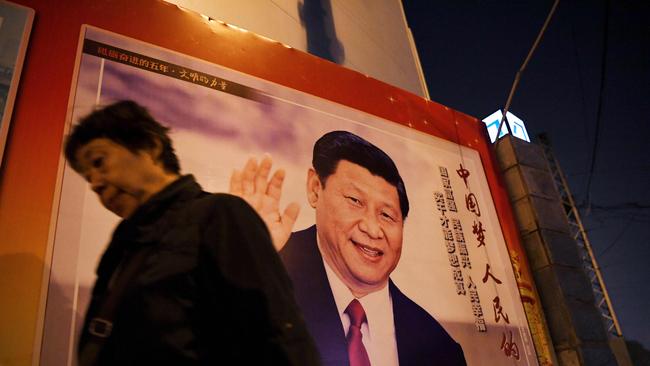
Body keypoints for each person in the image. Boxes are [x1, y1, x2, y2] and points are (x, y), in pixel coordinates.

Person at [64, 100, 320, 365]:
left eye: (99, 161)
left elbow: (280, 335)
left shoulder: (218, 214)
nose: (94, 182)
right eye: (87, 176)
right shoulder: (124, 244)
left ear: (150, 146)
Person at [230, 131, 466, 366]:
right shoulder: (260, 273)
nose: (373, 230)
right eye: (355, 201)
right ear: (315, 189)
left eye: (386, 215)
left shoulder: (439, 347)